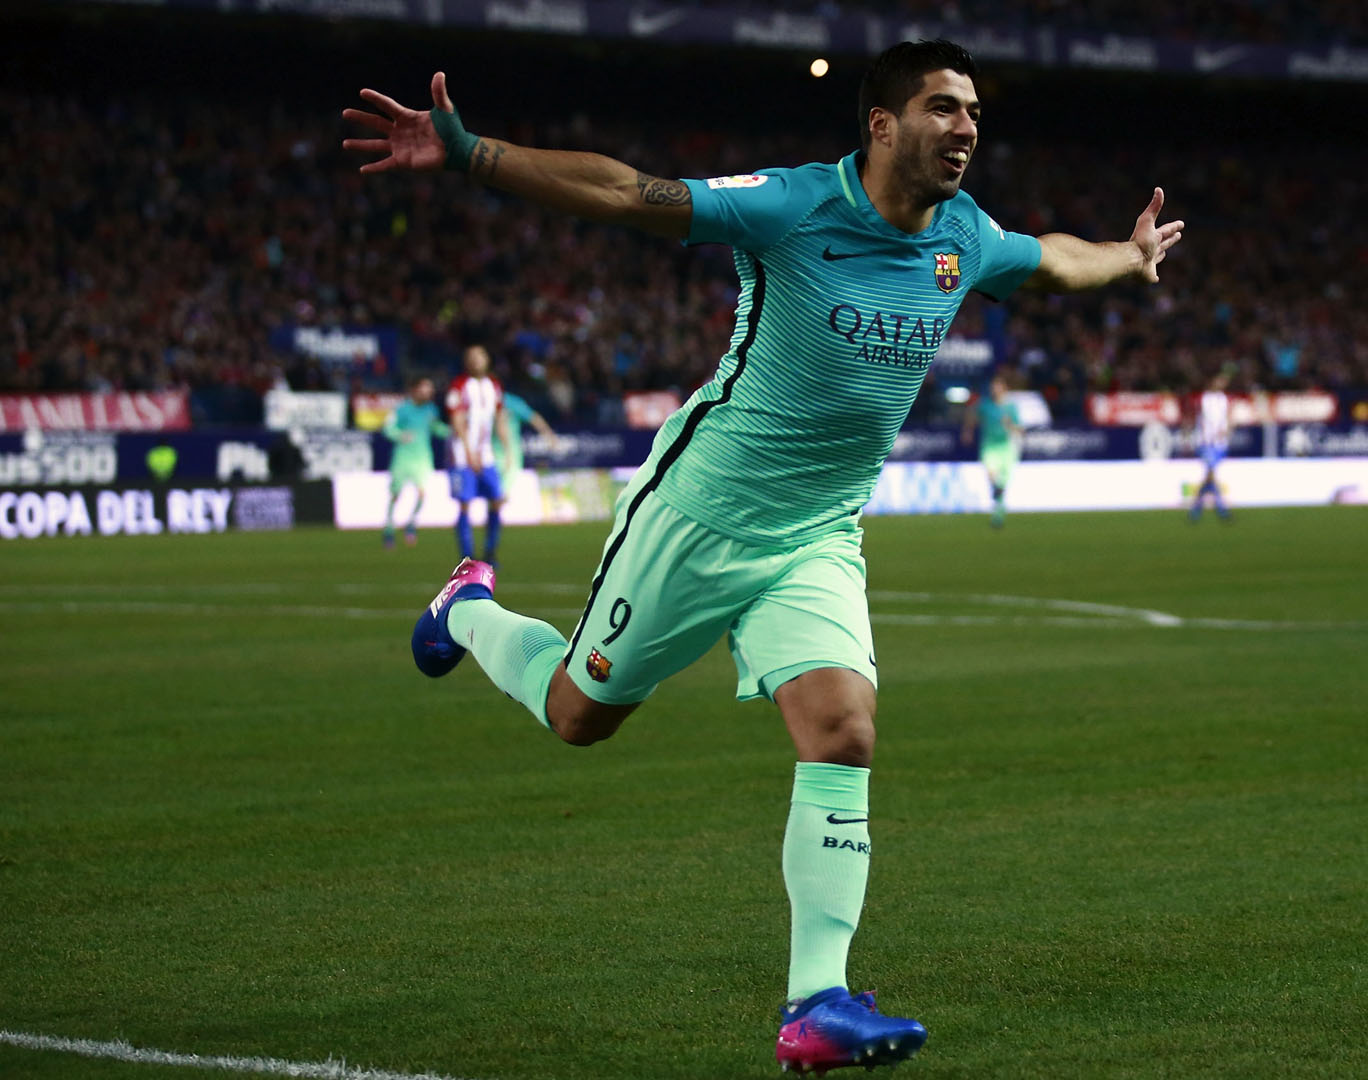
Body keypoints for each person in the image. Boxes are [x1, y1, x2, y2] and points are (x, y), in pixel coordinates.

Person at [343, 39, 1183, 1074]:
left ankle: (815, 1005)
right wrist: (477, 156)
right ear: (881, 125)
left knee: (843, 730)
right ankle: (463, 606)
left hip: (818, 532)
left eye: (972, 110)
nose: (966, 126)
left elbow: (1055, 257)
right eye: (941, 108)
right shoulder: (793, 206)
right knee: (577, 717)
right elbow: (625, 192)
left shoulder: (965, 236)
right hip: (699, 513)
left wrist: (1130, 255)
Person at [446, 345, 511, 563]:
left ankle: (490, 553)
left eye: (480, 356)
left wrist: (507, 449)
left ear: (487, 359)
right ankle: (468, 558)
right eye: (471, 357)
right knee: (465, 503)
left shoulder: (494, 385)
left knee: (496, 499)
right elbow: (457, 419)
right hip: (462, 454)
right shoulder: (459, 385)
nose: (476, 361)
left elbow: (500, 418)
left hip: (486, 453)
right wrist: (468, 451)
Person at [381, 375, 447, 548]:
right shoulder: (402, 409)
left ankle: (411, 523)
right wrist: (400, 435)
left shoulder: (431, 409)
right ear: (415, 389)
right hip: (403, 457)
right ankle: (389, 528)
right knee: (396, 494)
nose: (429, 391)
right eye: (425, 387)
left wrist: (452, 431)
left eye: (430, 388)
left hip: (423, 458)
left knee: (422, 494)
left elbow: (436, 427)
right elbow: (388, 428)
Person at [961, 372, 1021, 527]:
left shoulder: (1011, 407)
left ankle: (998, 513)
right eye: (993, 387)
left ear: (1004, 388)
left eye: (998, 386)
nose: (995, 389)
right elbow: (972, 415)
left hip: (1006, 447)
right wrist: (968, 430)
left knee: (1002, 483)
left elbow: (1020, 429)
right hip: (989, 446)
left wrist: (1009, 424)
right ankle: (997, 491)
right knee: (992, 474)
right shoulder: (985, 404)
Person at [493, 386, 557, 492]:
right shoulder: (478, 400)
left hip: (511, 453)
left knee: (503, 492)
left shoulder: (511, 401)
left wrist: (549, 435)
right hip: (489, 453)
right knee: (495, 493)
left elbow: (533, 417)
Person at [1188, 371, 1232, 522]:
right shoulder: (1206, 398)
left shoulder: (1223, 399)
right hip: (1207, 442)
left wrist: (1226, 431)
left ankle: (1196, 508)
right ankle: (1221, 509)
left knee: (1209, 477)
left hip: (1220, 443)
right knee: (1210, 475)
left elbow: (1226, 419)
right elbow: (1205, 419)